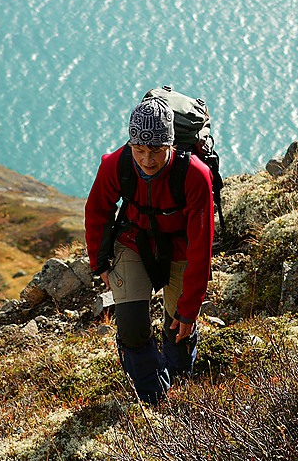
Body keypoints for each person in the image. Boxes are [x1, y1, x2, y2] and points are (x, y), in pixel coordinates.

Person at [85, 96, 214, 405]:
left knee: (179, 327)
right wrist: (100, 262)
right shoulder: (116, 164)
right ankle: (152, 398)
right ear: (130, 144)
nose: (147, 160)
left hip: (181, 249)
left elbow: (201, 245)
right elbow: (97, 210)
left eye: (156, 150)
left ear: (170, 145)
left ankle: (178, 386)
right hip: (133, 242)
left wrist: (191, 306)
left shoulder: (195, 174)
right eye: (139, 149)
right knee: (131, 330)